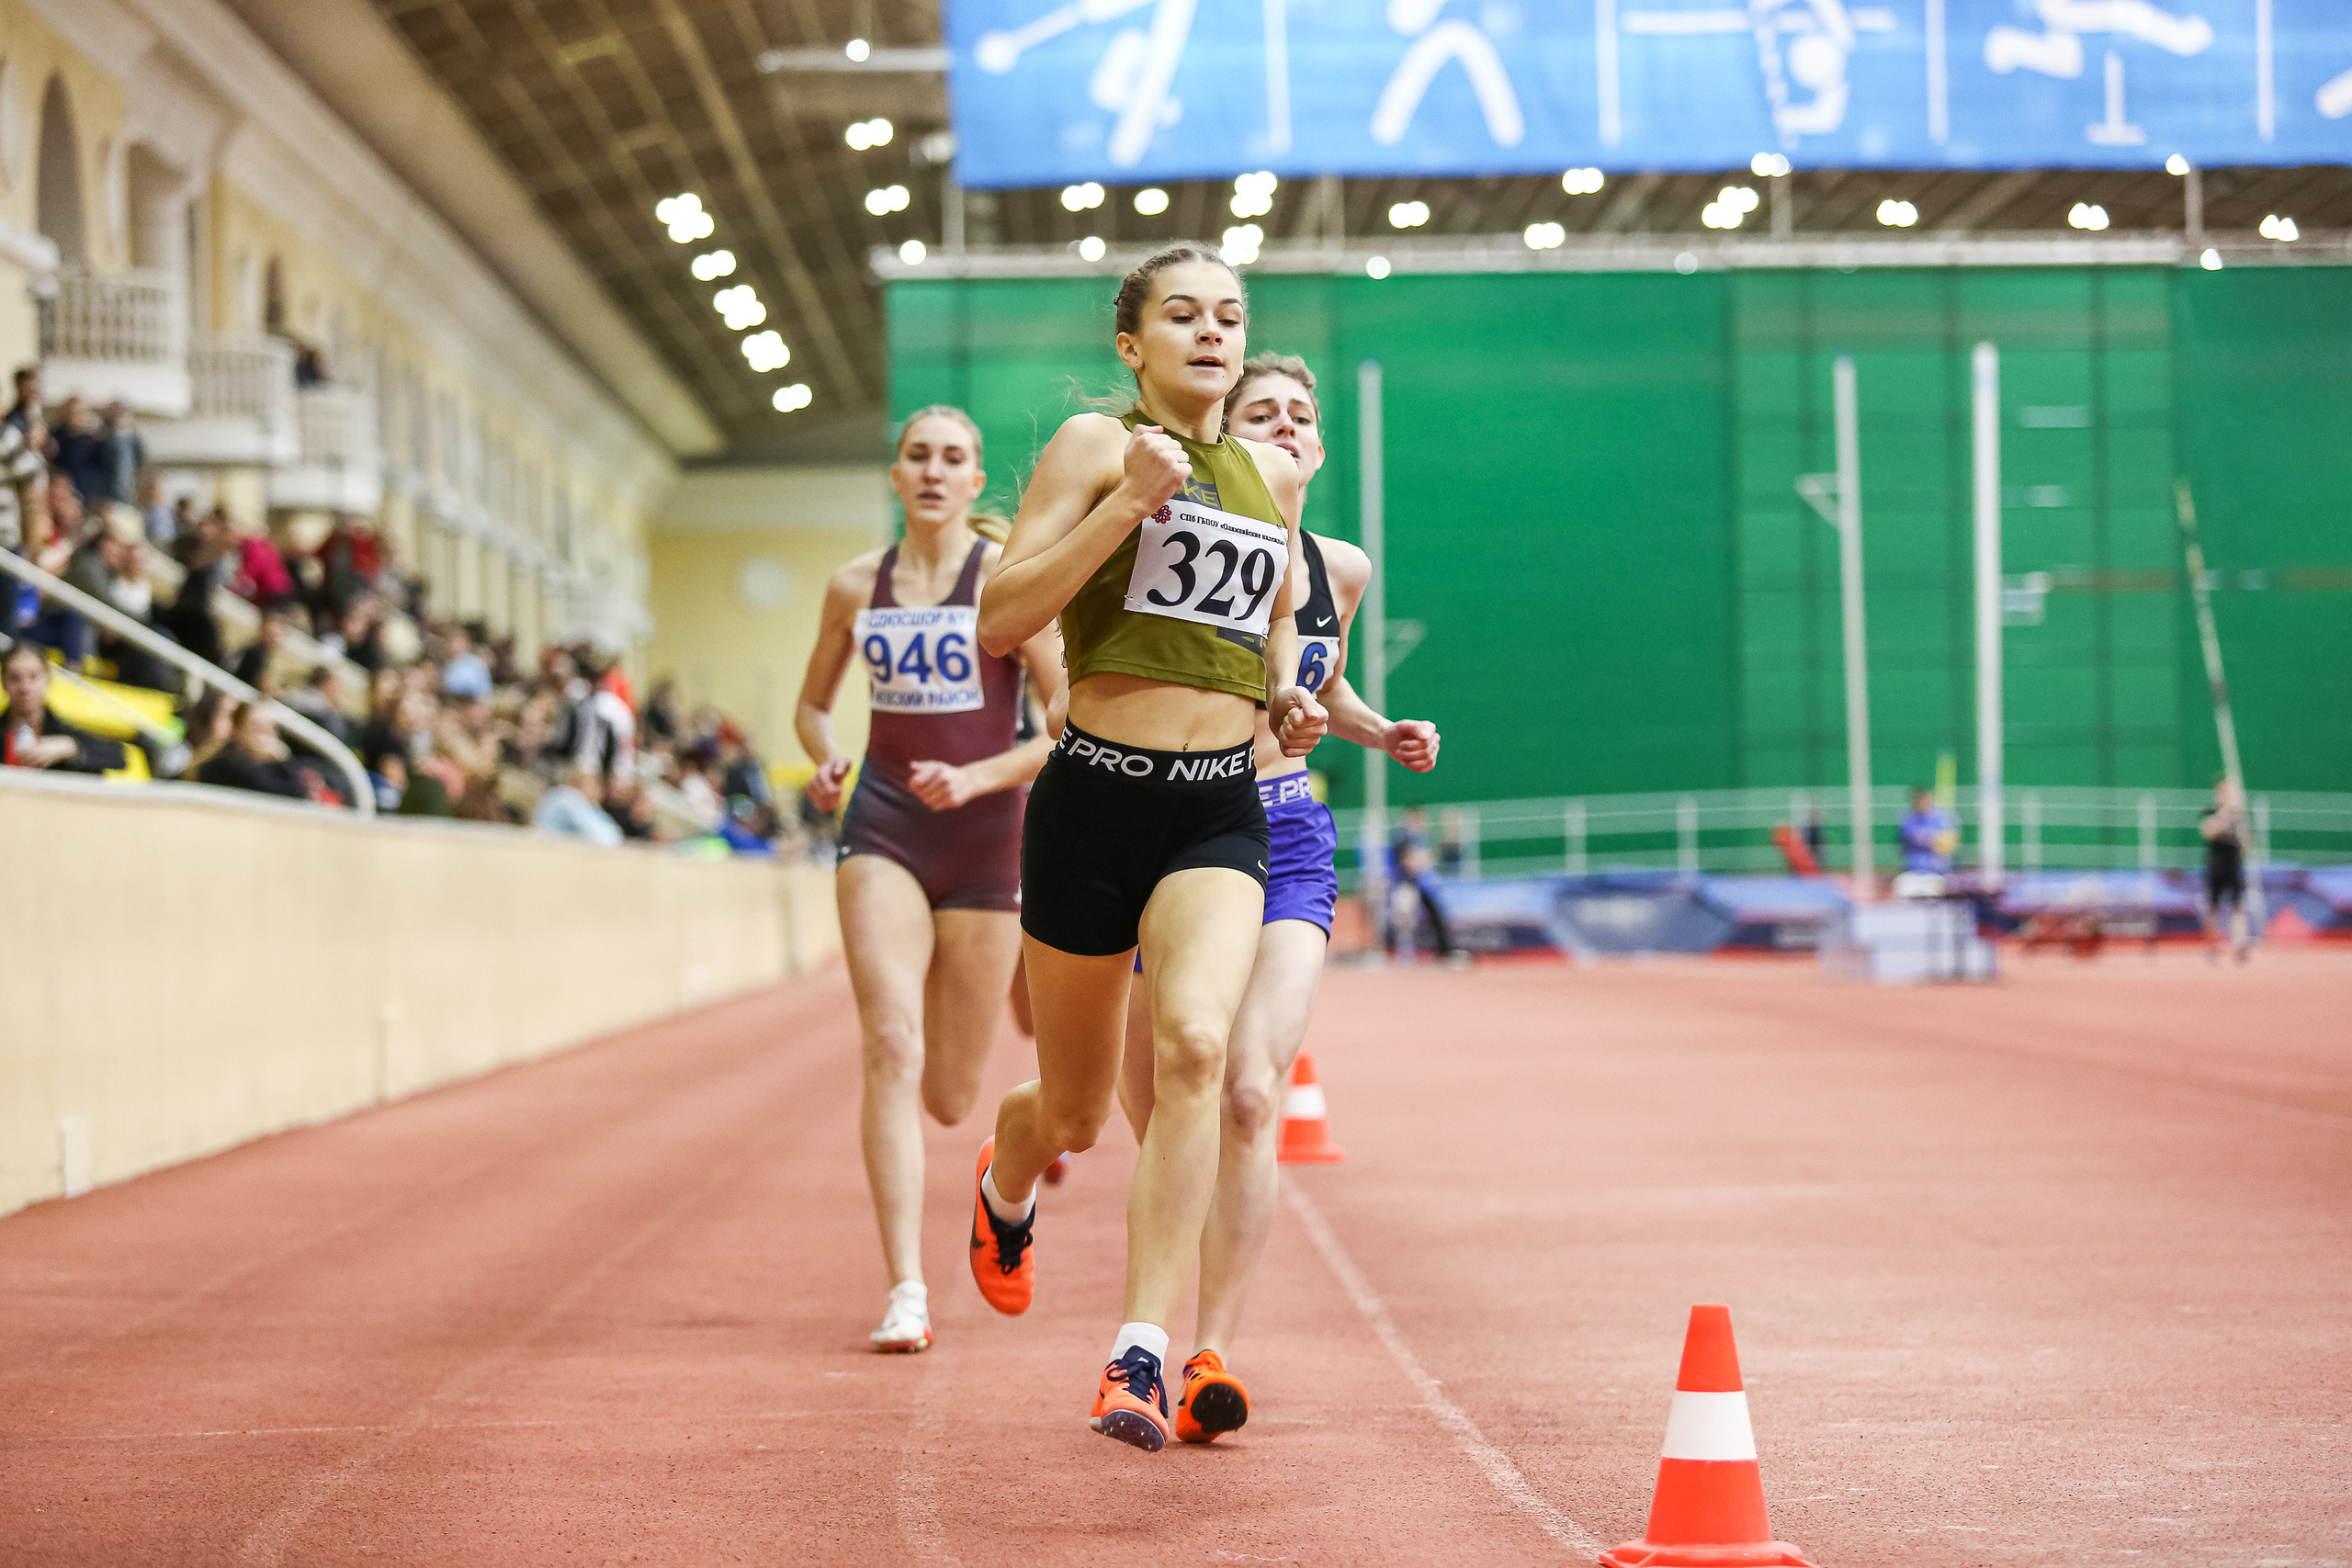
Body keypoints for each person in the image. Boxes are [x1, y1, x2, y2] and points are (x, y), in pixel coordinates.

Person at [967, 243, 1327, 1452]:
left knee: (1196, 1049)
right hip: (1093, 800)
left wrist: (1287, 697)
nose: (1212, 332)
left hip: (1216, 807)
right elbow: (1002, 618)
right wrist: (1128, 499)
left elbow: (1274, 626)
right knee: (1074, 1111)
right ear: (1132, 344)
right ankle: (1008, 1173)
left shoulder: (1272, 474)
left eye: (1229, 314)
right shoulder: (1091, 447)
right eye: (1183, 315)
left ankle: (1138, 1350)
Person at [1112, 351, 1440, 1443]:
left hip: (1288, 830)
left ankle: (1207, 1355)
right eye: (1264, 412)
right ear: (1227, 430)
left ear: (1320, 447)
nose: (1287, 426)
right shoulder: (1182, 538)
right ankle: (1054, 1182)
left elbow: (1321, 681)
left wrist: (1379, 729)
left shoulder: (1340, 566)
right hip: (1175, 829)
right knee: (1158, 1107)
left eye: (1302, 415)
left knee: (1252, 1094)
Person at [795, 405, 1066, 1356]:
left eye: (953, 458)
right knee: (889, 1043)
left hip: (988, 837)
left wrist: (981, 776)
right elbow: (811, 706)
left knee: (950, 1095)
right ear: (897, 473)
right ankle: (904, 1288)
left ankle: (1002, 1158)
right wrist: (825, 758)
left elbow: (1065, 717)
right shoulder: (854, 586)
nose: (934, 472)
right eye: (918, 456)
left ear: (975, 478)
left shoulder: (1004, 582)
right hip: (884, 826)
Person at [3, 639, 127, 773]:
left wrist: (72, 747)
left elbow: (118, 756)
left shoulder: (62, 731)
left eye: (33, 677)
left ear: (48, 678)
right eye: (15, 678)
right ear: (3, 681)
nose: (25, 688)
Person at [198, 703, 314, 801]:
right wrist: (284, 760)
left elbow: (299, 797)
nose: (267, 736)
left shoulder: (277, 768)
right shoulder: (221, 767)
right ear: (238, 731)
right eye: (258, 728)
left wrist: (287, 762)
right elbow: (268, 792)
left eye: (271, 728)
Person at [2200, 775, 2251, 964]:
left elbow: (2246, 842)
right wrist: (2225, 816)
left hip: (2233, 864)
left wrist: (2239, 827)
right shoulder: (2211, 812)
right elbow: (2208, 831)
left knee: (2237, 905)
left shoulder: (2239, 816)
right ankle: (2211, 946)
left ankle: (2240, 945)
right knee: (2213, 906)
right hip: (2215, 865)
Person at [533, 763, 621, 844]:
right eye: (591, 786)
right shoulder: (568, 798)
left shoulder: (590, 805)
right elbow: (606, 838)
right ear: (578, 783)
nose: (596, 791)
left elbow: (615, 833)